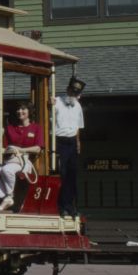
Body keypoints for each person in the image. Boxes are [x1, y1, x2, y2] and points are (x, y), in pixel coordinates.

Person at [0, 101, 44, 212]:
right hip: (9, 159)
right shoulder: (10, 128)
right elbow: (3, 147)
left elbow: (38, 148)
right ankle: (7, 198)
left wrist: (21, 150)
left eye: (23, 109)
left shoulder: (36, 128)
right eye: (18, 109)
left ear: (29, 111)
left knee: (7, 170)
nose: (20, 111)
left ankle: (9, 196)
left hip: (25, 161)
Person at [54, 76, 85, 217]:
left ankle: (70, 206)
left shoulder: (78, 106)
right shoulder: (56, 102)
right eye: (72, 91)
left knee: (72, 175)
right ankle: (60, 206)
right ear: (67, 90)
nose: (74, 95)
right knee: (62, 174)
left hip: (72, 142)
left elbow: (78, 126)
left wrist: (78, 142)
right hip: (59, 140)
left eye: (76, 93)